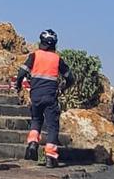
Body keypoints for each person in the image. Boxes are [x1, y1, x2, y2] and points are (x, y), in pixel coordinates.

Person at [14, 29, 72, 168]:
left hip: (35, 95)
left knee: (36, 120)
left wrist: (18, 85)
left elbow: (22, 72)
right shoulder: (57, 59)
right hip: (50, 96)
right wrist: (62, 88)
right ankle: (50, 156)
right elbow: (70, 77)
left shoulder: (34, 56)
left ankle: (33, 143)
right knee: (52, 125)